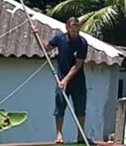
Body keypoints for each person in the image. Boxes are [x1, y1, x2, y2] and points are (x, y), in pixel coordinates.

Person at [31, 17, 92, 145]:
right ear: (67, 28)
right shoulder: (59, 39)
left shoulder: (82, 43)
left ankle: (81, 134)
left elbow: (78, 65)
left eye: (77, 27)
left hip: (77, 81)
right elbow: (46, 48)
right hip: (61, 81)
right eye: (72, 27)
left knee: (80, 109)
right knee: (60, 108)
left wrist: (66, 80)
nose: (75, 30)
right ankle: (59, 133)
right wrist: (36, 35)